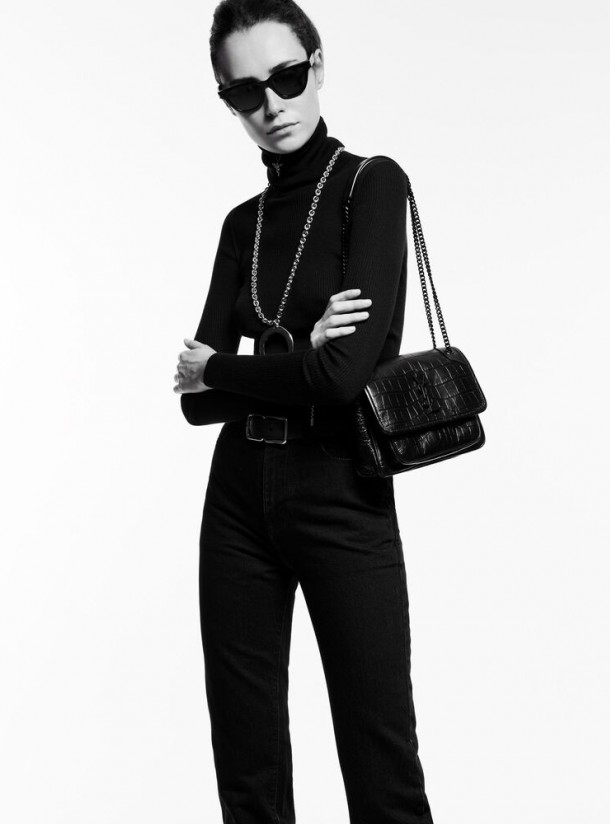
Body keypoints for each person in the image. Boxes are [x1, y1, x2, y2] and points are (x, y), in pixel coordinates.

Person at [174, 1, 436, 821]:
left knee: (380, 760)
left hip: (340, 489)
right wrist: (288, 358)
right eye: (244, 92)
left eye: (286, 78)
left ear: (317, 66)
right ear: (228, 100)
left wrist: (232, 366)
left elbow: (342, 376)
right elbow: (196, 405)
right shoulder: (241, 226)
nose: (271, 105)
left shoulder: (371, 184)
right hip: (236, 502)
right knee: (246, 762)